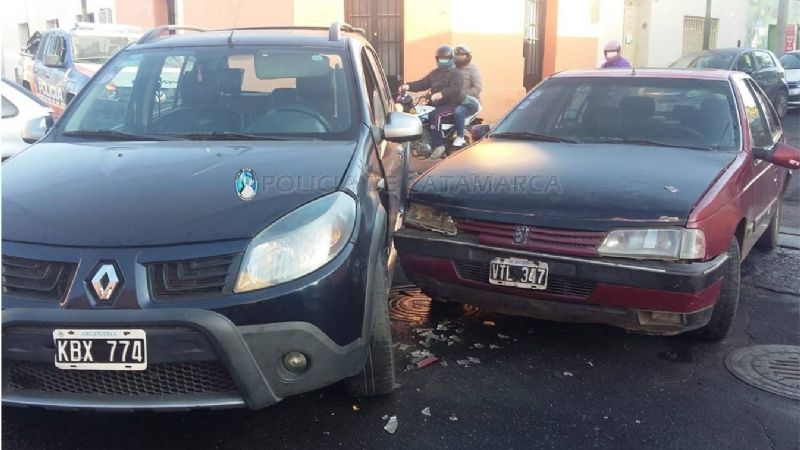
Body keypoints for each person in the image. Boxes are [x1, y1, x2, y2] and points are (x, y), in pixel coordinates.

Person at [400, 45, 463, 159]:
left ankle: (439, 145)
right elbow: (423, 83)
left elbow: (456, 88)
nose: (442, 61)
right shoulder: (434, 73)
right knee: (419, 113)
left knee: (434, 115)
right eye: (440, 58)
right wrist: (408, 86)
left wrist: (441, 94)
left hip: (451, 105)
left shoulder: (456, 73)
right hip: (435, 104)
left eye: (445, 58)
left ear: (451, 58)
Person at [452, 44, 482, 147]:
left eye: (462, 55)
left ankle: (460, 137)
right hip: (454, 101)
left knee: (458, 112)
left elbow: (477, 87)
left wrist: (464, 94)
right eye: (457, 55)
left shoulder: (473, 69)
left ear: (468, 56)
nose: (459, 57)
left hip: (469, 102)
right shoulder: (452, 68)